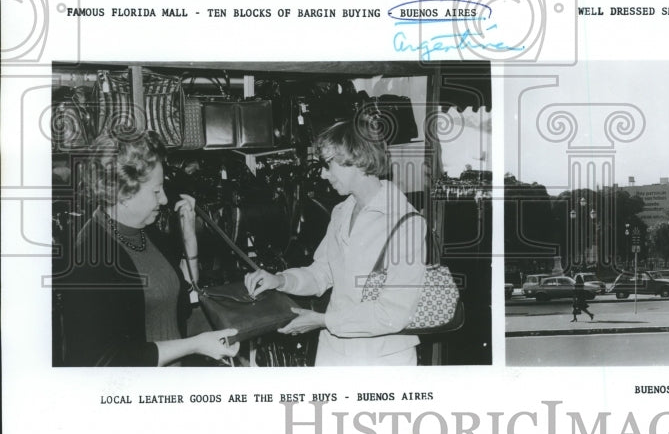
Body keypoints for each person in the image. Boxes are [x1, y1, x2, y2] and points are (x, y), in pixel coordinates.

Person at [244, 119, 427, 366]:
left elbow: (394, 313)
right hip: (334, 352)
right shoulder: (341, 212)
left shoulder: (405, 222)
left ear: (357, 159)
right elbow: (322, 272)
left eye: (328, 164)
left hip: (383, 360)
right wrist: (280, 280)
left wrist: (322, 320)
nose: (323, 173)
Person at [57, 132, 239, 366]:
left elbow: (183, 300)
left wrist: (189, 241)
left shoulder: (144, 229)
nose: (164, 200)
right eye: (156, 191)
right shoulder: (90, 255)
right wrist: (194, 345)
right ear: (123, 192)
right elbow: (100, 360)